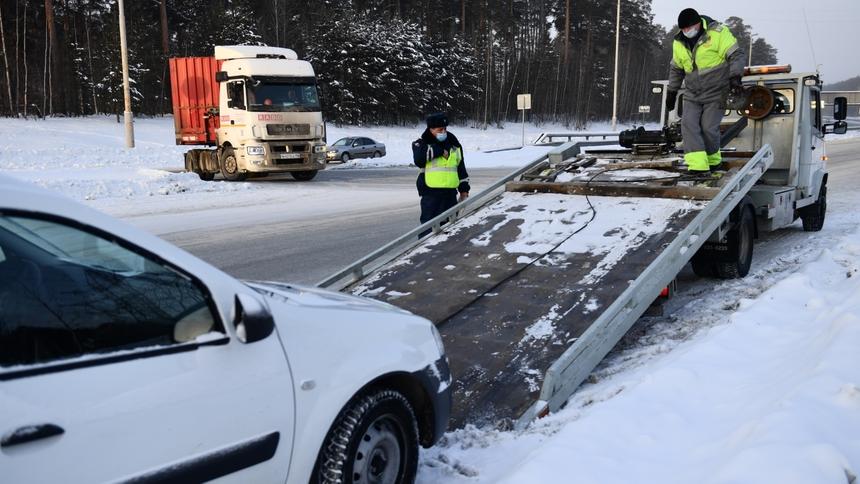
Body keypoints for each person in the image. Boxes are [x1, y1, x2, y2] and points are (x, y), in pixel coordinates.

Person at [666, 8, 745, 173]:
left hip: (717, 91)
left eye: (690, 28)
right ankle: (698, 167)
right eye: (684, 29)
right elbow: (676, 68)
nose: (687, 32)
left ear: (698, 23)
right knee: (688, 125)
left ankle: (713, 161)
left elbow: (736, 55)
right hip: (693, 93)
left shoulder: (717, 33)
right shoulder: (678, 42)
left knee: (708, 127)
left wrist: (735, 78)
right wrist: (672, 92)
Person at [412, 112, 470, 228]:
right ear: (431, 129)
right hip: (431, 194)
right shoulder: (421, 143)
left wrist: (464, 190)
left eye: (445, 129)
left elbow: (461, 169)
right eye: (439, 130)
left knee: (450, 227)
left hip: (450, 194)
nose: (443, 132)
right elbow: (419, 159)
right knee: (429, 228)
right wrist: (439, 150)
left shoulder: (454, 145)